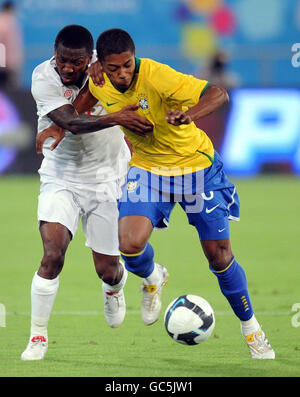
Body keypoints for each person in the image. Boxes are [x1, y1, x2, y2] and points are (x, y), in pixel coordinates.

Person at [39, 28, 275, 359]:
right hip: (149, 171)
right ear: (101, 65)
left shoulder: (158, 76)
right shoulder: (99, 79)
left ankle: (251, 329)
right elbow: (82, 103)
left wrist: (187, 115)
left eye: (127, 65)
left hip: (196, 170)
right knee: (129, 245)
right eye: (113, 67)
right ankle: (154, 277)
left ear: (134, 59)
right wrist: (58, 126)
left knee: (219, 257)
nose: (122, 73)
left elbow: (219, 93)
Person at [21, 25, 153, 361]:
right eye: (63, 60)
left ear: (89, 57)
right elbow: (72, 123)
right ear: (55, 52)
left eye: (76, 63)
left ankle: (114, 288)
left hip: (107, 176)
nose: (68, 68)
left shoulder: (107, 69)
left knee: (107, 269)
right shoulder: (43, 78)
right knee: (52, 255)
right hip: (60, 175)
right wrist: (116, 118)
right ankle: (38, 336)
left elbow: (139, 87)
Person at [0, 1, 23, 89]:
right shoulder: (4, 23)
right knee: (7, 91)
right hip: (6, 65)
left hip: (7, 64)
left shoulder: (11, 22)